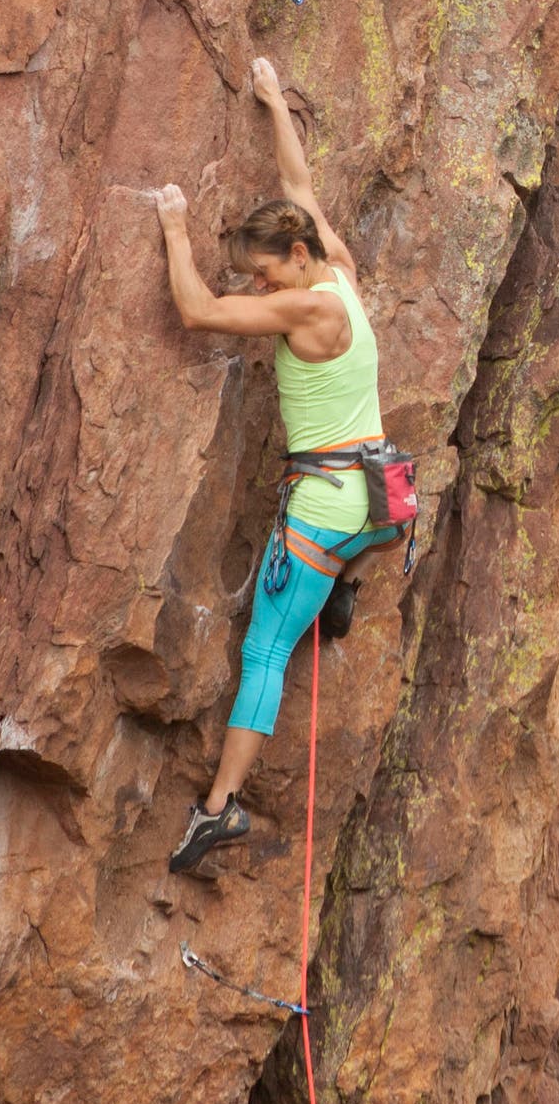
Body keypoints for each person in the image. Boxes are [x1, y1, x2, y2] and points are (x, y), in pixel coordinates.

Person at [152, 55, 391, 877]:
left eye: (262, 272)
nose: (257, 286)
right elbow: (300, 179)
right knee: (301, 605)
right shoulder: (341, 269)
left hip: (322, 507)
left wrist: (176, 227)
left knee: (263, 653)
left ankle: (217, 812)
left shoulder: (307, 304)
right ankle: (335, 593)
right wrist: (272, 100)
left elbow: (196, 312)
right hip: (366, 497)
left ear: (294, 258)